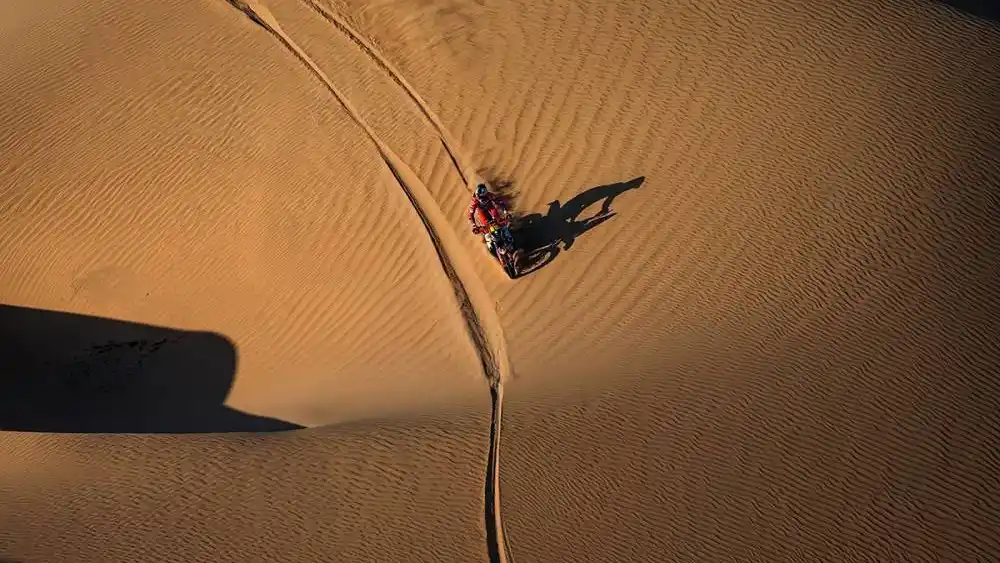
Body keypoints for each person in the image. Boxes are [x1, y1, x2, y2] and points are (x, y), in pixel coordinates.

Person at [468, 183, 508, 255]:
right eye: (479, 197)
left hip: (490, 208)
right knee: (486, 226)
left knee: (499, 220)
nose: (481, 199)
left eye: (483, 197)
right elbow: (470, 215)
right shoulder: (474, 201)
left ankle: (507, 234)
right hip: (481, 212)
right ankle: (489, 241)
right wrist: (474, 225)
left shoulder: (489, 195)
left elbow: (499, 201)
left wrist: (505, 210)